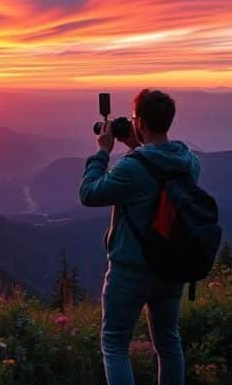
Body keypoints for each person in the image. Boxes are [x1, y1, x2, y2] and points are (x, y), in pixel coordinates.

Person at [78, 89, 201, 385]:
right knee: (168, 343)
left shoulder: (133, 168)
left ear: (140, 122)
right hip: (171, 267)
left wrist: (103, 151)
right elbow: (154, 180)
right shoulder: (189, 162)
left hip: (130, 271)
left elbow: (89, 193)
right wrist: (138, 146)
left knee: (115, 345)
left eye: (133, 118)